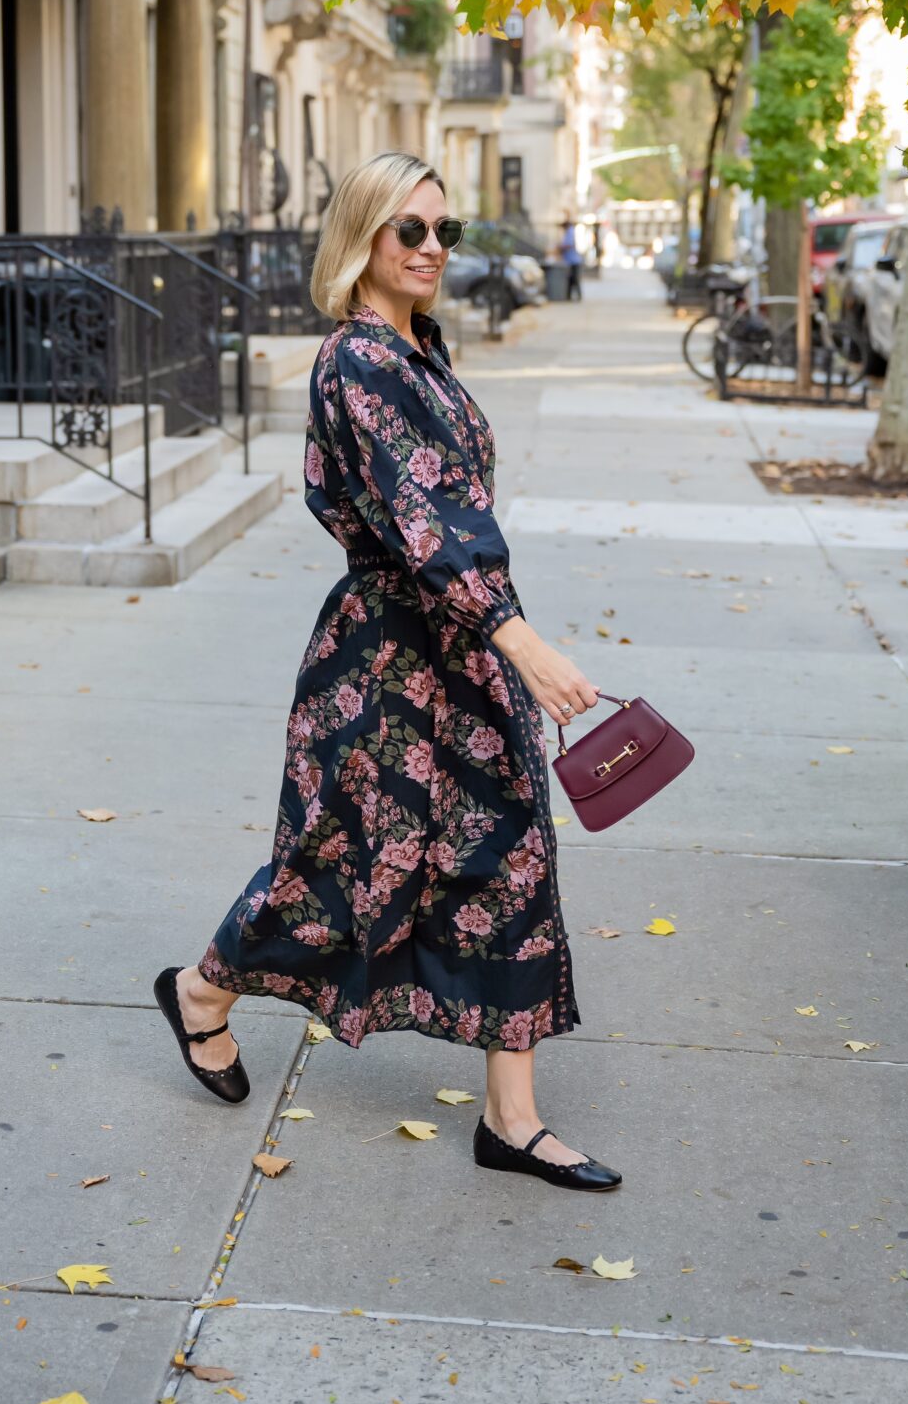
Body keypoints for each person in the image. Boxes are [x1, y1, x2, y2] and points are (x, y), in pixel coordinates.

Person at [155, 152, 621, 1193]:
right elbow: (426, 526)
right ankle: (201, 990)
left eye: (442, 232)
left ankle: (513, 1116)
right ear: (362, 235)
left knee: (507, 857)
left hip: (455, 651)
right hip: (386, 668)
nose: (430, 249)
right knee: (338, 866)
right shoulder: (358, 362)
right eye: (409, 229)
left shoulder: (418, 348)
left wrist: (499, 637)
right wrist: (525, 640)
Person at [559, 220, 584, 301]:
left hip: (573, 260)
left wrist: (560, 248)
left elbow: (568, 244)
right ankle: (569, 296)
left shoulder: (570, 232)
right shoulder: (570, 231)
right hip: (570, 260)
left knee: (575, 279)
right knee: (570, 279)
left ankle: (577, 296)